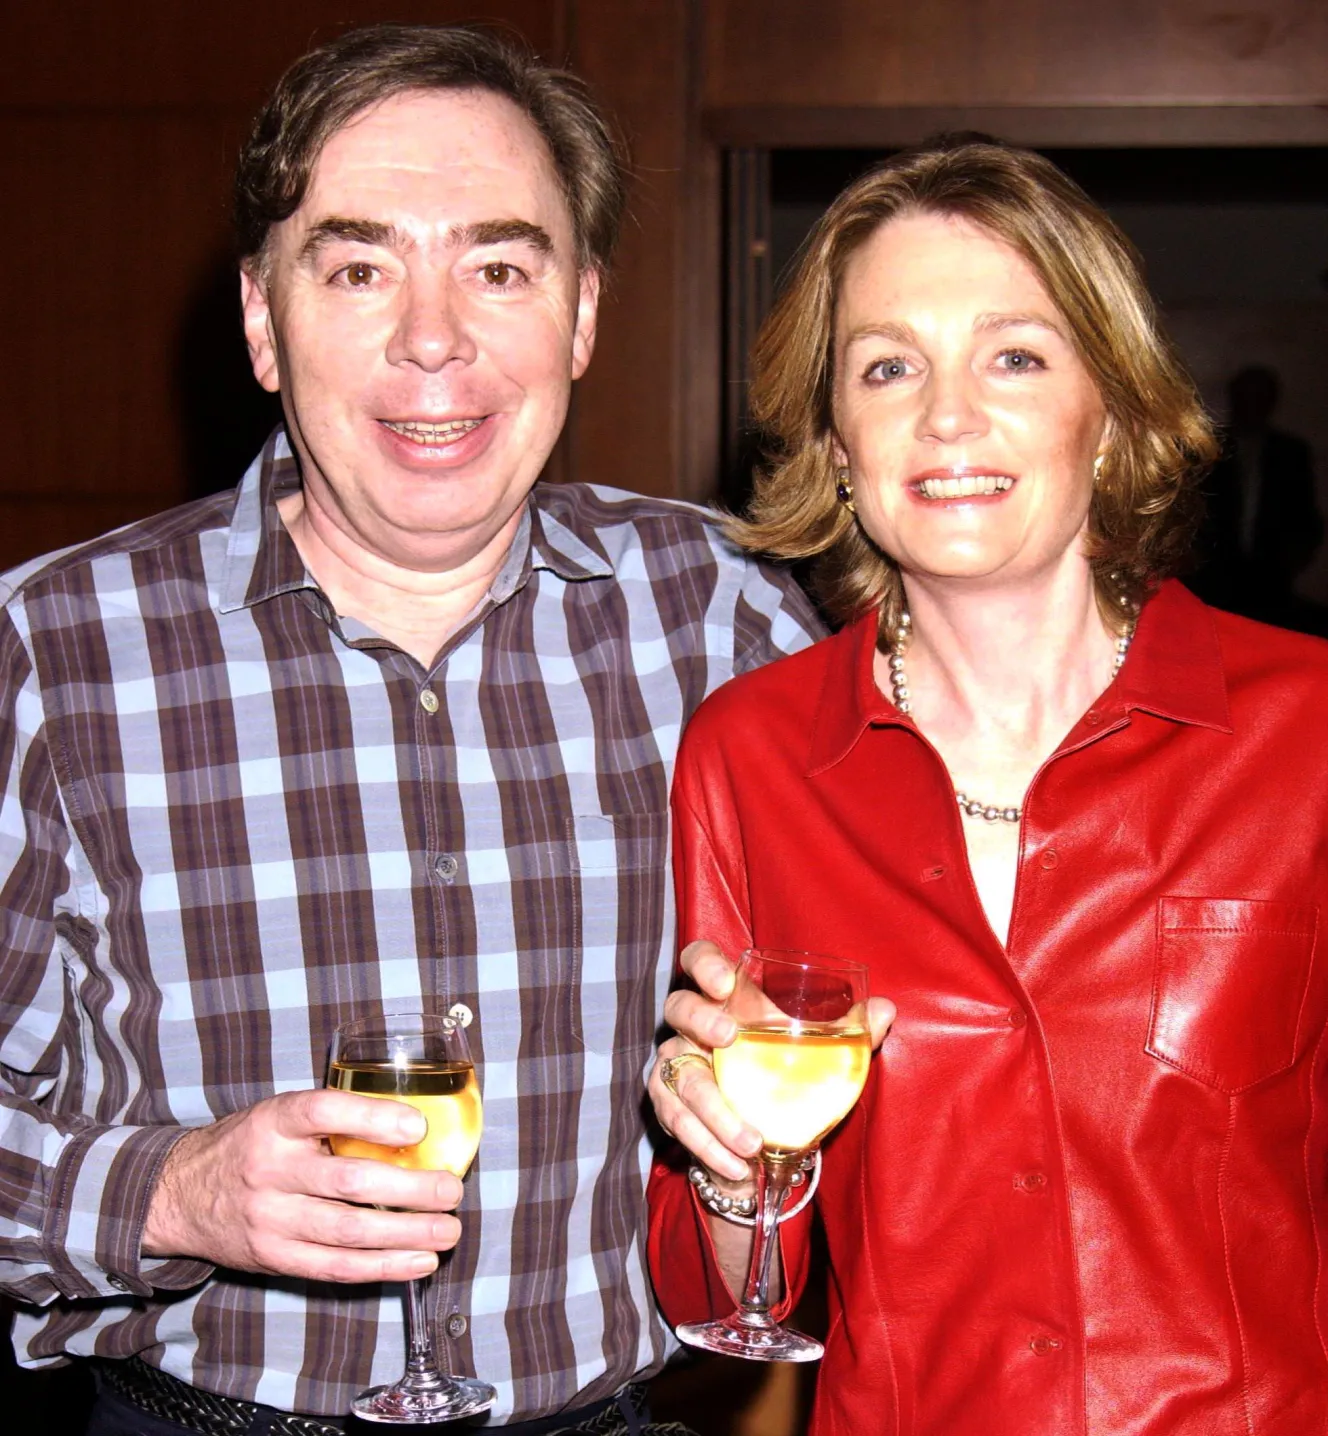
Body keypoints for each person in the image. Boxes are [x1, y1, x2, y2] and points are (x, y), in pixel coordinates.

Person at [0, 24, 822, 1436]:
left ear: (580, 316)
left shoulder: (727, 613)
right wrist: (176, 1191)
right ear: (263, 321)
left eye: (499, 268)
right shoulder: (49, 650)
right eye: (360, 266)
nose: (433, 337)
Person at [645, 137, 1328, 1435]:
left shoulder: (1307, 734)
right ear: (838, 439)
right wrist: (731, 1171)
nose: (946, 415)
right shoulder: (750, 754)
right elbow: (722, 1293)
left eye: (1013, 356)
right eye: (889, 366)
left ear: (1111, 407)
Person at [1190, 364, 1325, 631]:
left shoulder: (1290, 452)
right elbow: (1193, 510)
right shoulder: (1208, 448)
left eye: (1259, 399)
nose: (1252, 407)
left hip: (1271, 578)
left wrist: (1292, 557)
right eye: (1246, 398)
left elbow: (1304, 513)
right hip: (1213, 577)